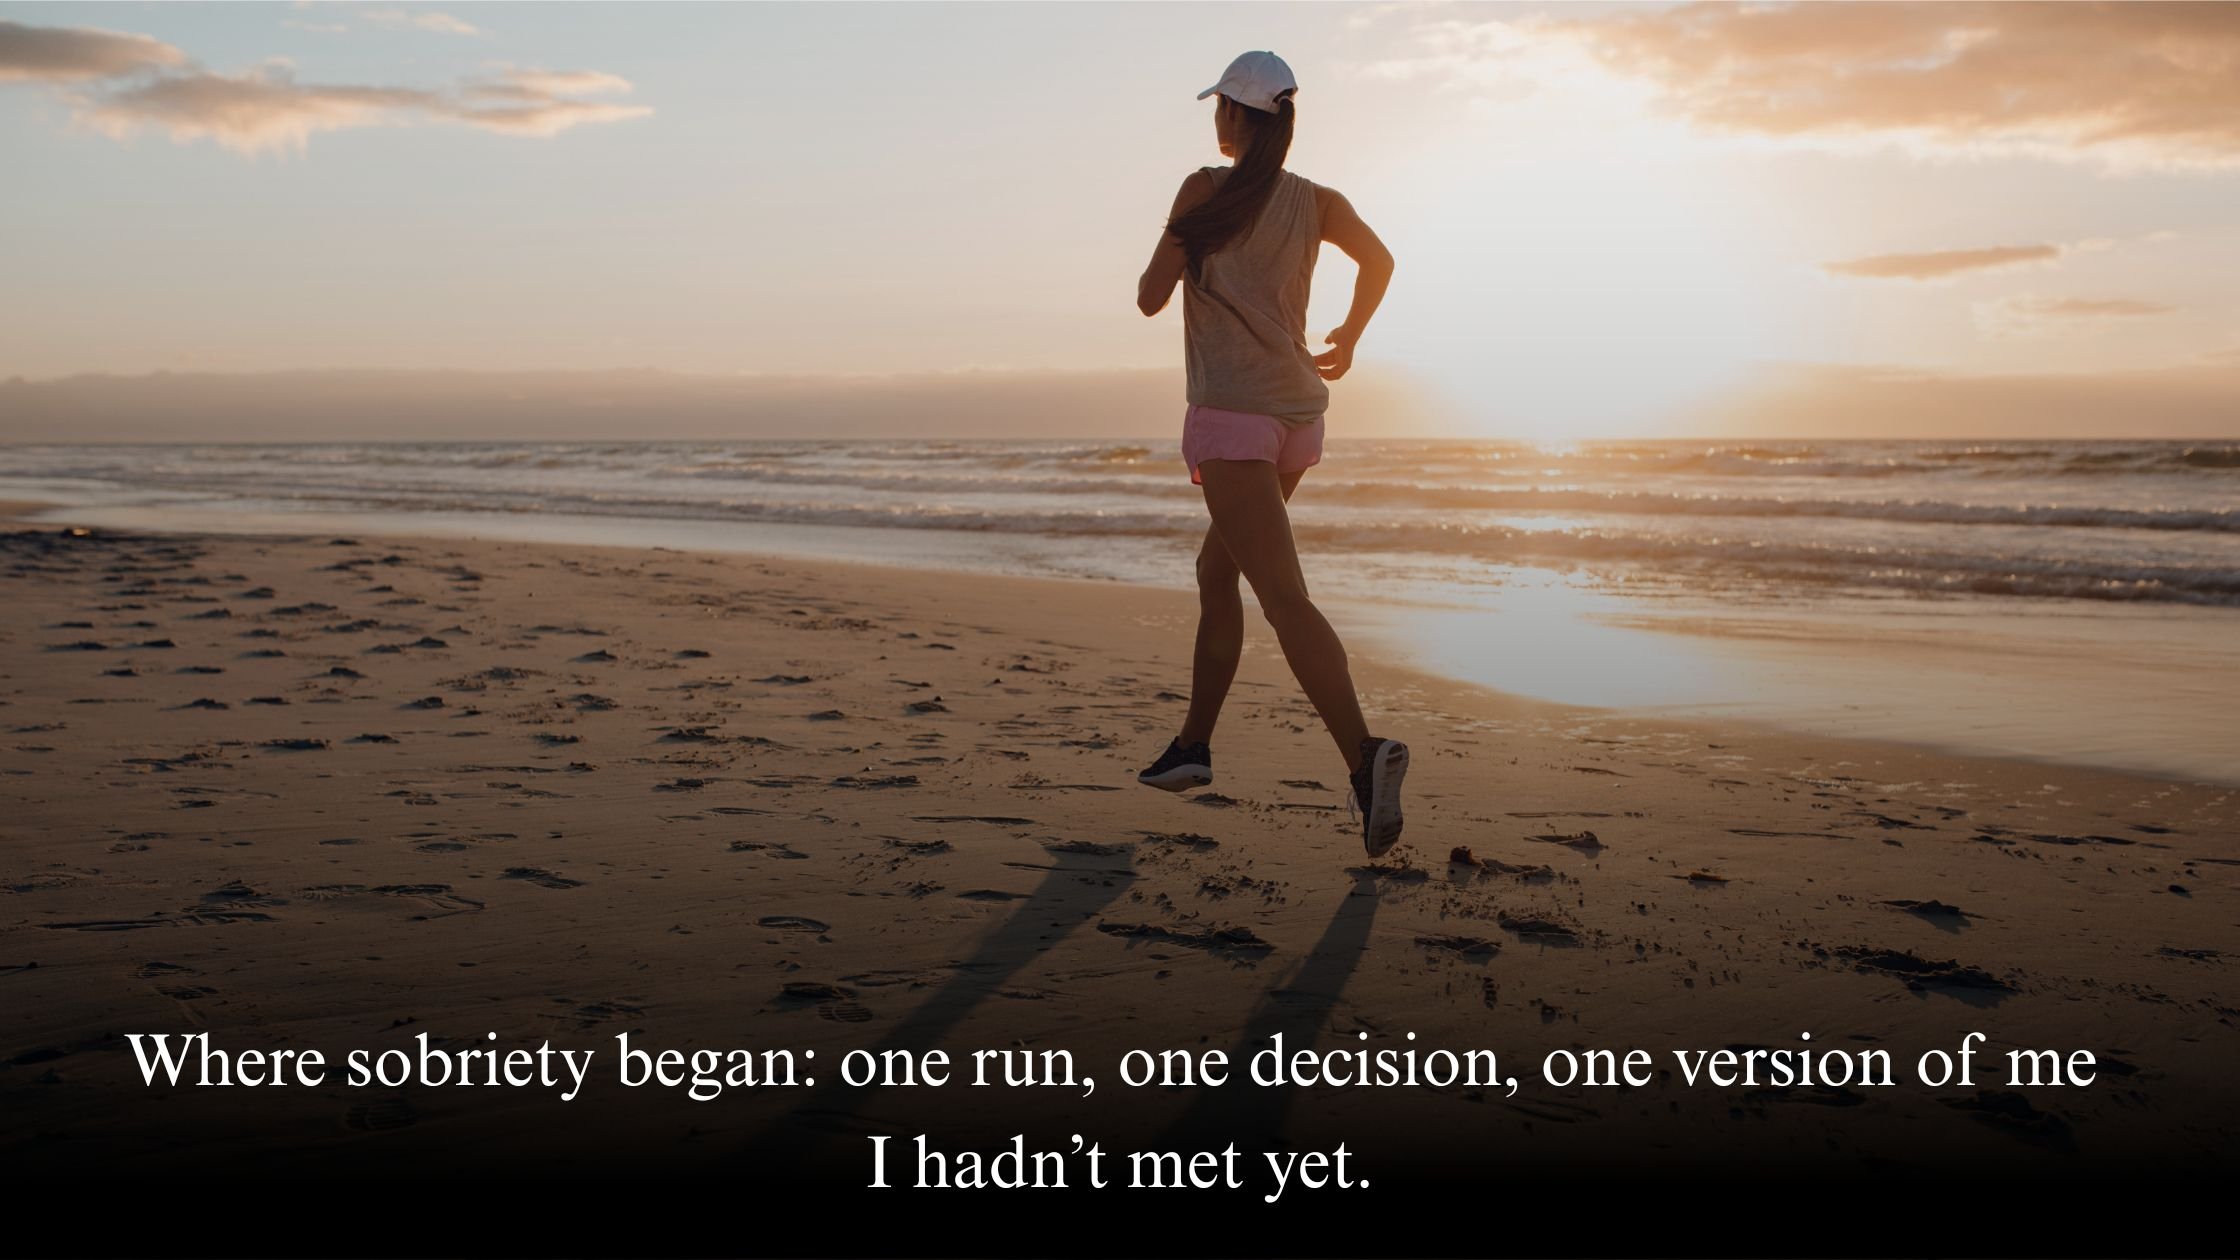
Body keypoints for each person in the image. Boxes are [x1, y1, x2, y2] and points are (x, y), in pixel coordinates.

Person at [1132, 50, 1408, 858]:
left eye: (1219, 105)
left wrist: (1183, 248)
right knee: (1218, 574)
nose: (1214, 118)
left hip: (1232, 417)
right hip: (1297, 419)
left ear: (1235, 116)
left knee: (1283, 597)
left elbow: (1150, 296)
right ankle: (1192, 749)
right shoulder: (1319, 201)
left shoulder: (1204, 191)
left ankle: (1366, 757)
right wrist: (1350, 337)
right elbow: (1381, 262)